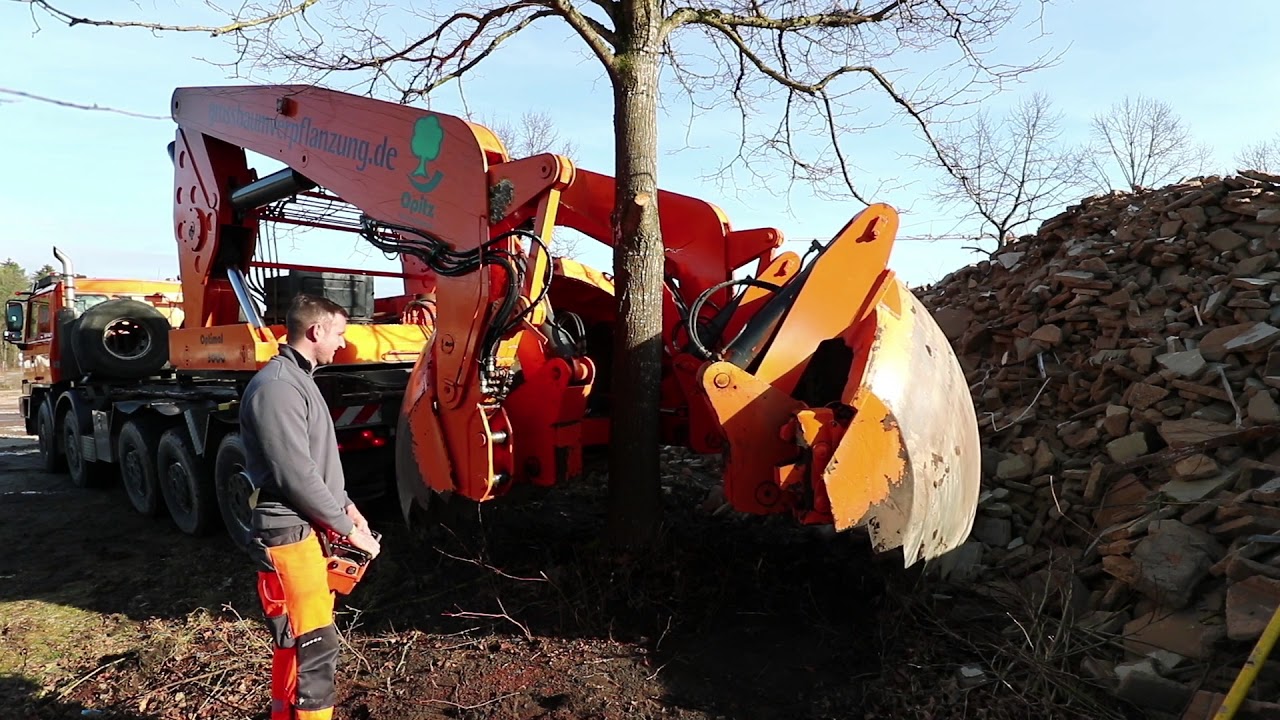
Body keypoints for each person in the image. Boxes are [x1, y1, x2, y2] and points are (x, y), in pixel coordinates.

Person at [239, 293, 382, 720]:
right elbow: (294, 474)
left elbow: (314, 462)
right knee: (315, 646)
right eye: (339, 333)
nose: (343, 342)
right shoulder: (278, 388)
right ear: (316, 331)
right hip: (289, 536)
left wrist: (347, 506)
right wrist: (347, 528)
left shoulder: (298, 380)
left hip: (303, 531)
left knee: (298, 641)